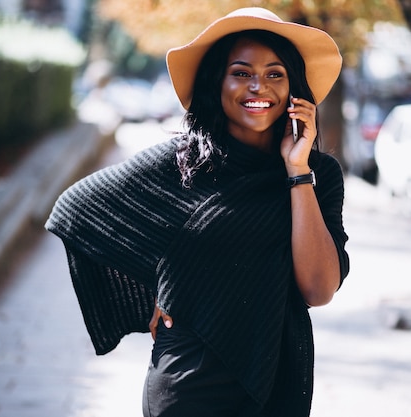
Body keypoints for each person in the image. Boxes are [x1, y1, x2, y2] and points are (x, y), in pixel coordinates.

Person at [45, 7, 349, 417]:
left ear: (294, 89)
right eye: (241, 73)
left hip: (278, 380)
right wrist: (152, 296)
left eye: (275, 74)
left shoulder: (318, 174)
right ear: (216, 82)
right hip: (188, 387)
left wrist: (297, 171)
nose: (258, 87)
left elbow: (319, 289)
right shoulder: (183, 165)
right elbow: (77, 207)